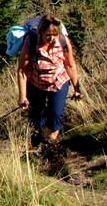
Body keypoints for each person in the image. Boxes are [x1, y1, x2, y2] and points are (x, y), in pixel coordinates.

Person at [17, 14, 82, 147]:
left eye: (54, 34)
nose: (51, 38)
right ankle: (37, 135)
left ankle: (48, 145)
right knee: (37, 114)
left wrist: (77, 89)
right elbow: (22, 70)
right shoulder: (32, 42)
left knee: (56, 113)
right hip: (36, 82)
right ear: (41, 32)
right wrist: (22, 96)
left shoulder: (63, 41)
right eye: (48, 34)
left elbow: (70, 65)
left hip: (59, 81)